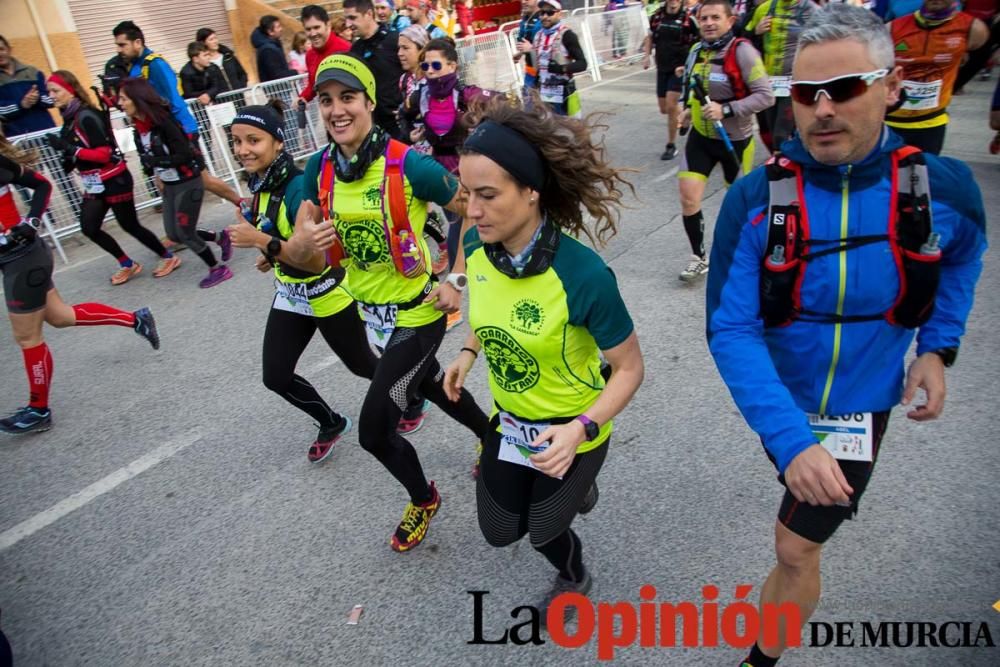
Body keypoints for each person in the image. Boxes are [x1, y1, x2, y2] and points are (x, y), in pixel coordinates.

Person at [706, 6, 986, 666]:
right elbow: (730, 327)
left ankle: (760, 658)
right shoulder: (754, 198)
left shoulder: (943, 188)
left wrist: (937, 348)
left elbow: (966, 253)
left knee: (796, 546)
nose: (823, 109)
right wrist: (791, 438)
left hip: (861, 404)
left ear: (891, 86)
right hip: (781, 401)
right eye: (806, 93)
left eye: (847, 87)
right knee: (793, 539)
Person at [444, 98, 644, 624]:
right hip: (510, 425)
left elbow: (629, 369)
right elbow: (488, 311)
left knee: (543, 529)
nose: (473, 211)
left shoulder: (583, 275)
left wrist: (581, 429)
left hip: (574, 428)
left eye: (488, 196)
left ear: (531, 192)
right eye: (467, 194)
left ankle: (574, 572)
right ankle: (572, 491)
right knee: (498, 531)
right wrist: (468, 351)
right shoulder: (476, 244)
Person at [284, 54, 490, 550]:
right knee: (431, 383)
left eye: (347, 98)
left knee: (375, 431)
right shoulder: (321, 166)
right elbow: (299, 227)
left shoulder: (407, 163)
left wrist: (457, 277)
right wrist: (301, 237)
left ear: (370, 103)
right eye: (326, 101)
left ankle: (424, 498)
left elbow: (473, 209)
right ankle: (492, 435)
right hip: (371, 314)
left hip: (419, 312)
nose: (336, 110)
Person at [224, 102, 380, 461]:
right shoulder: (262, 181)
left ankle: (417, 392)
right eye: (236, 141)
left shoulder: (296, 188)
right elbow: (279, 239)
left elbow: (313, 260)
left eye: (253, 140)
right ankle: (331, 422)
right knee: (276, 376)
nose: (243, 149)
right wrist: (271, 253)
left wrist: (261, 242)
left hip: (326, 291)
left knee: (362, 365)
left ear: (278, 142)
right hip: (292, 295)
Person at [0, 133, 159, 435]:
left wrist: (30, 222)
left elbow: (42, 185)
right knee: (60, 317)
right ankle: (136, 320)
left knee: (28, 338)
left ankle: (38, 409)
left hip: (22, 259)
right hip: (21, 260)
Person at [43, 70, 180, 284]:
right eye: (49, 91)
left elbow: (104, 153)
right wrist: (67, 156)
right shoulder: (69, 118)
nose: (51, 95)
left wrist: (70, 149)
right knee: (89, 227)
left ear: (70, 90)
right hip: (95, 183)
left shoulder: (86, 115)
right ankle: (127, 263)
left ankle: (168, 257)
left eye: (55, 90)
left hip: (115, 179)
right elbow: (77, 151)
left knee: (130, 225)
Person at [677, 0, 773, 282]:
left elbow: (765, 96)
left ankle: (752, 255)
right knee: (688, 197)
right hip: (701, 137)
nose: (708, 23)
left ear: (730, 21)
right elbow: (690, 88)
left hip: (736, 139)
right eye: (703, 18)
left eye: (715, 17)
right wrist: (685, 108)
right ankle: (699, 257)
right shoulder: (696, 51)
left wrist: (726, 109)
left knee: (740, 205)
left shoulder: (743, 52)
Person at [119, 78, 233, 289]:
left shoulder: (164, 122)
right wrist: (154, 171)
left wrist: (157, 162)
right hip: (170, 184)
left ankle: (218, 268)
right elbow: (148, 158)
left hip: (188, 181)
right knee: (173, 234)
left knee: (184, 233)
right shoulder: (139, 129)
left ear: (137, 98)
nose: (120, 103)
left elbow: (183, 154)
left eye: (124, 98)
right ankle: (220, 237)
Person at [112, 21, 241, 206]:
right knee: (165, 184)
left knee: (202, 179)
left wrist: (176, 132)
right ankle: (179, 229)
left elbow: (171, 99)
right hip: (156, 132)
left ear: (137, 42)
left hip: (178, 129)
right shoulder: (134, 67)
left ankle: (242, 203)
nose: (119, 49)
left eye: (122, 44)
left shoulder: (155, 64)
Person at [887, 0, 990, 154]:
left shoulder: (973, 29)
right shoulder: (892, 28)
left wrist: (954, 86)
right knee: (888, 174)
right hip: (890, 122)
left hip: (931, 123)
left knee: (924, 175)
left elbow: (976, 59)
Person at [744, 0, 819, 153]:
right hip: (770, 81)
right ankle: (786, 164)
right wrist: (755, 32)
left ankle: (783, 167)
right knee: (773, 132)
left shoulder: (812, 11)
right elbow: (742, 41)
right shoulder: (764, 8)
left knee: (781, 134)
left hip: (796, 81)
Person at [643, 0, 700, 160]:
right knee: (665, 109)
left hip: (680, 69)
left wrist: (692, 65)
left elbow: (700, 42)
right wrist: (646, 57)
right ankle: (685, 116)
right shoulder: (656, 16)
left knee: (671, 104)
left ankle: (671, 145)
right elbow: (649, 37)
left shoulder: (689, 18)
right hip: (662, 67)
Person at [345, 0, 407, 140]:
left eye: (353, 18)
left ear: (368, 14)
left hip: (401, 125)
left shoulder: (394, 40)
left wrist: (410, 108)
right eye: (346, 19)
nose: (348, 24)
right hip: (374, 128)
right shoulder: (355, 50)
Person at [522, 0, 588, 117]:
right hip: (544, 93)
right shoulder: (538, 36)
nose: (545, 16)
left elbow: (582, 63)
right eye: (542, 13)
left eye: (550, 12)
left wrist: (561, 68)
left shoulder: (567, 35)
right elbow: (537, 65)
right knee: (549, 130)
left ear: (559, 14)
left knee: (573, 129)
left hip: (564, 93)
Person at [297, 5, 353, 109]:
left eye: (317, 27)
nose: (313, 33)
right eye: (308, 29)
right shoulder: (310, 55)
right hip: (329, 113)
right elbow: (312, 85)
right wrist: (302, 98)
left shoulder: (345, 49)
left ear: (328, 25)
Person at [0, 36, 55, 137]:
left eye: (1, 49)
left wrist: (38, 98)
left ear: (9, 49)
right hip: (18, 140)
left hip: (47, 133)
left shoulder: (33, 72)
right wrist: (21, 105)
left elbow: (52, 100)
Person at [252, 16, 298, 83]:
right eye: (278, 27)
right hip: (277, 89)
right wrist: (296, 72)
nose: (281, 29)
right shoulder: (268, 50)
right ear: (270, 32)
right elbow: (277, 74)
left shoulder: (273, 45)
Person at [513, 0, 544, 92]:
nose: (523, 2)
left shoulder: (544, 19)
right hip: (531, 70)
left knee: (546, 104)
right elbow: (525, 41)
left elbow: (549, 47)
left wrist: (531, 49)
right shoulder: (525, 19)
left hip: (546, 73)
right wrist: (521, 52)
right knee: (528, 100)